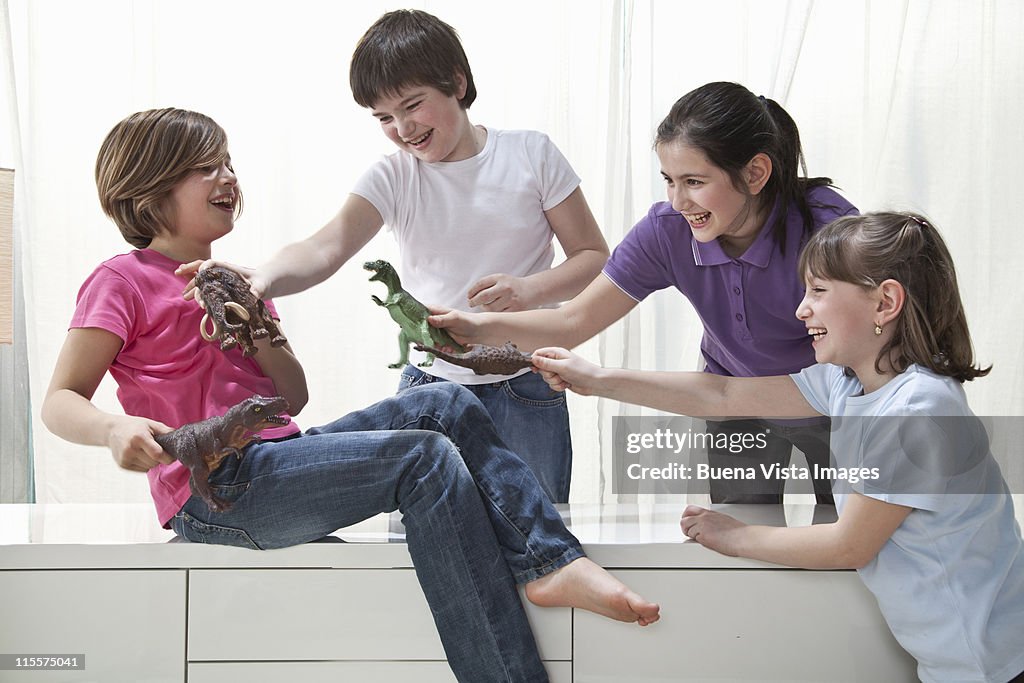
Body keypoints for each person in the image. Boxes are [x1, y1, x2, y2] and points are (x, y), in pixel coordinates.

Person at [41, 107, 658, 683]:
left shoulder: (242, 282)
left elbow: (291, 398)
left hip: (276, 461)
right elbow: (61, 399)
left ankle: (552, 563)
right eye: (206, 167)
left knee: (444, 403)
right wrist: (114, 429)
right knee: (423, 456)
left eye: (228, 162)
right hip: (217, 491)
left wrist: (254, 325)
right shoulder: (119, 281)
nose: (227, 177)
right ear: (148, 191)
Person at [531, 211, 1024, 683]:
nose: (800, 308)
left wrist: (732, 536)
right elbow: (723, 394)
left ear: (885, 302)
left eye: (818, 291)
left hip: (993, 661)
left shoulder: (916, 409)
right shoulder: (848, 383)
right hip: (959, 659)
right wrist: (594, 379)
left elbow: (847, 544)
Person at [176, 9, 608, 504]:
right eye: (383, 117)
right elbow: (324, 246)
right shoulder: (394, 176)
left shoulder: (531, 154)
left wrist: (530, 289)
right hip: (429, 385)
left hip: (525, 381)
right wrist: (264, 278)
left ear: (457, 83)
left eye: (412, 105)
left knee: (539, 537)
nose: (402, 128)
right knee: (423, 545)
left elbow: (593, 257)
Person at [431, 81, 858, 504]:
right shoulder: (668, 232)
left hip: (833, 402)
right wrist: (474, 327)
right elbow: (572, 321)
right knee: (743, 542)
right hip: (735, 402)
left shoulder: (827, 226)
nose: (677, 201)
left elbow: (865, 345)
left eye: (693, 181)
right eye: (669, 180)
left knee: (848, 540)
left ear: (754, 173)